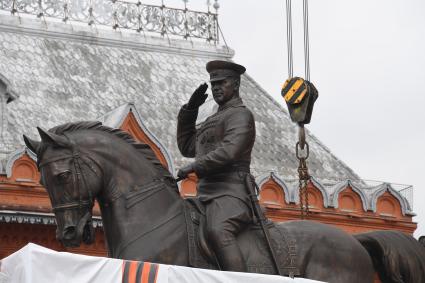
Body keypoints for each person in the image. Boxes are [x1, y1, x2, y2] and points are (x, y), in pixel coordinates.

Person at [176, 60, 256, 272]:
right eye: (213, 84)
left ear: (236, 84)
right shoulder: (214, 118)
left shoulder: (240, 115)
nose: (216, 88)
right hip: (206, 194)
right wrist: (190, 110)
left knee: (218, 230)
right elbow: (187, 147)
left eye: (222, 82)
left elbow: (229, 152)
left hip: (231, 193)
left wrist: (192, 167)